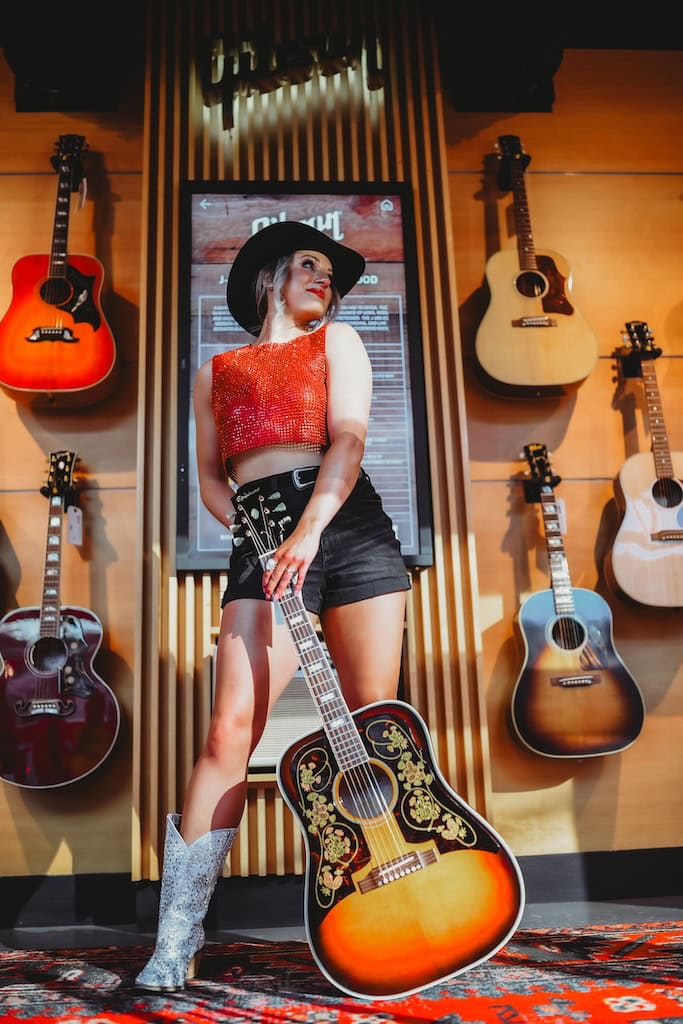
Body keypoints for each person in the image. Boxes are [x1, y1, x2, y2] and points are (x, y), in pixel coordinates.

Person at [135, 220, 411, 991]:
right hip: (261, 533)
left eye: (331, 270)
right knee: (227, 729)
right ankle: (177, 936)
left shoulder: (341, 342)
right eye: (309, 265)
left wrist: (311, 532)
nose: (325, 278)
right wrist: (264, 541)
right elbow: (211, 482)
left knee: (372, 726)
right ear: (270, 278)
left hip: (347, 528)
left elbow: (348, 442)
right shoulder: (215, 370)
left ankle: (384, 902)